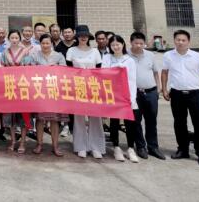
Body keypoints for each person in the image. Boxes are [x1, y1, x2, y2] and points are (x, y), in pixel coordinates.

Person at [161, 30, 199, 167]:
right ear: (174, 40)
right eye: (178, 39)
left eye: (183, 40)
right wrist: (164, 89)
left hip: (195, 94)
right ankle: (183, 149)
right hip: (176, 94)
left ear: (188, 41)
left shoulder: (197, 57)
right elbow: (164, 72)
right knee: (179, 123)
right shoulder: (168, 56)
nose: (180, 42)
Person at [23, 34, 67, 156]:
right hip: (40, 91)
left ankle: (55, 145)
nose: (45, 45)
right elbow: (29, 70)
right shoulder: (34, 55)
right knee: (40, 119)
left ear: (51, 44)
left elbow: (65, 72)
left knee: (54, 120)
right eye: (43, 43)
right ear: (40, 44)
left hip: (54, 91)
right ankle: (39, 144)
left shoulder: (59, 56)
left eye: (48, 43)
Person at [66, 25, 105, 159]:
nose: (83, 38)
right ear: (77, 37)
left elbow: (99, 70)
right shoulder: (71, 51)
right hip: (78, 86)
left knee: (96, 117)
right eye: (80, 35)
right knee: (79, 118)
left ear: (89, 37)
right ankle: (81, 146)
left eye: (85, 35)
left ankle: (96, 147)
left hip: (93, 86)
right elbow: (68, 70)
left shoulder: (95, 52)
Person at [102, 35, 141, 163]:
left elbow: (133, 80)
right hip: (113, 95)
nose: (116, 47)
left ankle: (130, 148)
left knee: (130, 123)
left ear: (123, 44)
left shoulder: (129, 60)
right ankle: (116, 147)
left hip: (126, 95)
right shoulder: (107, 58)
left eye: (118, 44)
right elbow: (104, 75)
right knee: (114, 122)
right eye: (113, 45)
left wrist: (132, 97)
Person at [129, 31, 165, 160]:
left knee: (151, 120)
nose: (139, 45)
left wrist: (158, 88)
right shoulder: (126, 55)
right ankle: (140, 147)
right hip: (134, 94)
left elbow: (155, 72)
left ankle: (153, 147)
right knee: (136, 121)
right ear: (131, 42)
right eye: (136, 43)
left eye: (141, 43)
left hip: (151, 92)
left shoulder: (150, 55)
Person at [1, 30, 30, 153]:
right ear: (9, 39)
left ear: (19, 39)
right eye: (12, 38)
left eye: (16, 38)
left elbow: (29, 69)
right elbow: (1, 69)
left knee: (23, 116)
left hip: (22, 86)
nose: (14, 40)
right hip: (10, 86)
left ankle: (22, 142)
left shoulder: (25, 52)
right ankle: (12, 141)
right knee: (11, 117)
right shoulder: (4, 53)